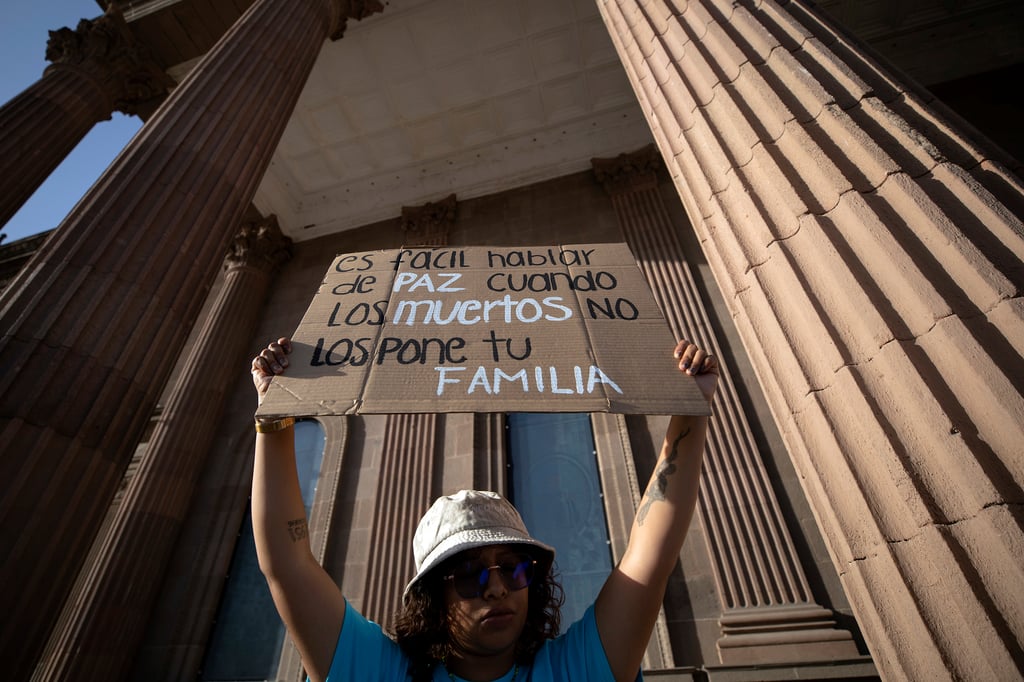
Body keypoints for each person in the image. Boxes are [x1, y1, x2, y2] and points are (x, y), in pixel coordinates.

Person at [251, 337, 719, 682]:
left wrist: (691, 410)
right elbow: (289, 567)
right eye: (470, 575)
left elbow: (649, 557)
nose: (496, 589)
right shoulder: (382, 674)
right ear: (434, 597)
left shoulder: (575, 669)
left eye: (515, 570)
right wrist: (275, 419)